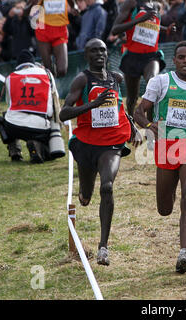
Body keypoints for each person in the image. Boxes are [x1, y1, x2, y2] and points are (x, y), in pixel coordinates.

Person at [134, 41, 186, 274]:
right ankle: (169, 201)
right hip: (167, 147)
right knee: (165, 209)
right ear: (174, 60)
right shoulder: (160, 82)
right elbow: (139, 112)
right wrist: (150, 126)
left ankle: (184, 253)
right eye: (182, 57)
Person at [59, 38, 142, 266]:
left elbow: (118, 106)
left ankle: (103, 247)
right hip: (86, 143)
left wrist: (133, 127)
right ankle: (84, 191)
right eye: (94, 50)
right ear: (86, 55)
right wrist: (92, 104)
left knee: (107, 186)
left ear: (108, 53)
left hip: (112, 143)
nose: (99, 54)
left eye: (103, 50)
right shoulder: (82, 79)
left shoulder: (116, 78)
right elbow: (64, 113)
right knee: (87, 195)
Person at [0, 49, 65, 163]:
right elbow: (55, 98)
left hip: (13, 126)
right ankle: (37, 145)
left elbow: (9, 103)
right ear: (33, 63)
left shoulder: (11, 77)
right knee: (50, 154)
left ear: (18, 65)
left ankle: (15, 151)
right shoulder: (47, 74)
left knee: (5, 117)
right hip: (40, 127)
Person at [110, 0, 166, 117]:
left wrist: (167, 29)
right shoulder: (131, 4)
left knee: (153, 84)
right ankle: (131, 122)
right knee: (132, 97)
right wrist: (139, 20)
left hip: (151, 56)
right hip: (133, 56)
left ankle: (151, 126)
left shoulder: (156, 6)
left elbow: (151, 25)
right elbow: (115, 29)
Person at [26, 0, 75, 77]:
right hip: (43, 29)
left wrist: (73, 8)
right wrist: (33, 4)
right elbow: (27, 11)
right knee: (48, 70)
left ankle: (54, 76)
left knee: (62, 70)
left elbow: (72, 4)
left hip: (60, 29)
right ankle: (51, 83)